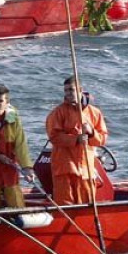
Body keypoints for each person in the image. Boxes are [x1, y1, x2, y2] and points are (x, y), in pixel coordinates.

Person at [45, 76, 108, 205]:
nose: (68, 93)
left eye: (71, 90)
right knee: (64, 203)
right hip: (64, 167)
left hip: (86, 169)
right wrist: (76, 139)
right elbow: (54, 136)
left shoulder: (95, 113)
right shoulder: (58, 112)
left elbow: (102, 139)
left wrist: (91, 132)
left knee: (87, 204)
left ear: (80, 90)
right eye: (66, 90)